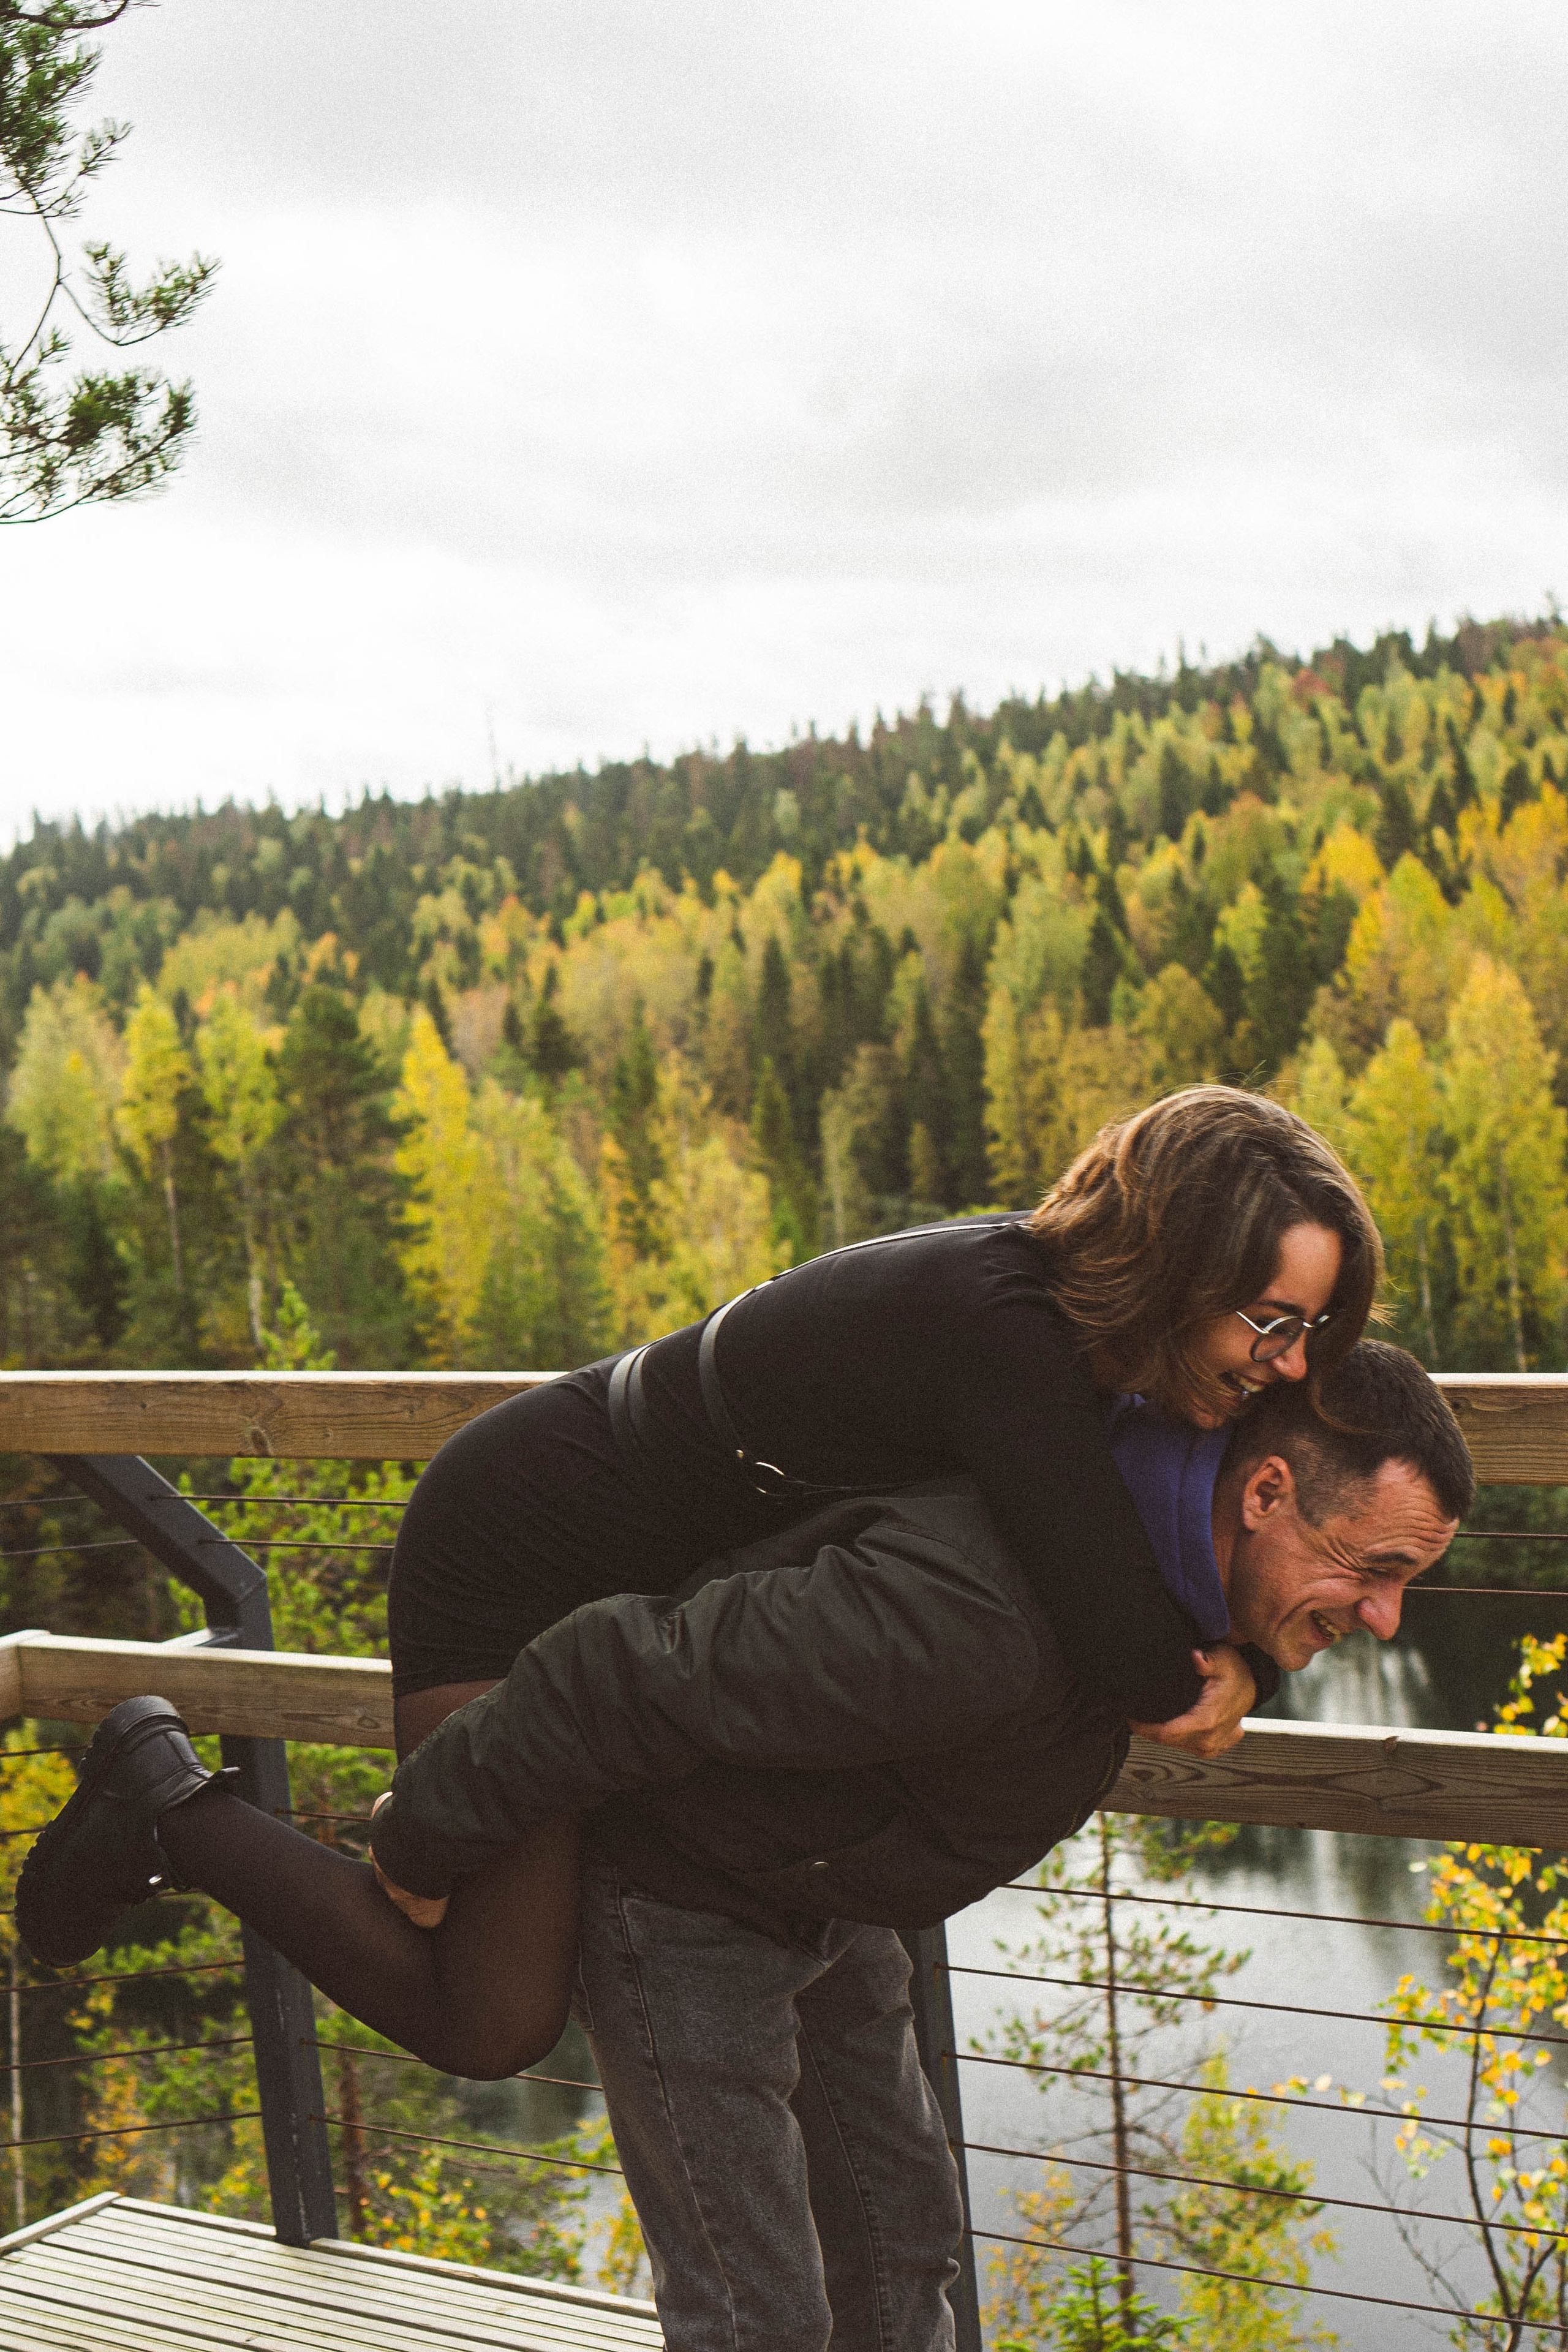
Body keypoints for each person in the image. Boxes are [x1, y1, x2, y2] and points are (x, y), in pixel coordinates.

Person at [18, 1087, 1380, 2092]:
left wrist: (1275, 1610)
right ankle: (167, 1806)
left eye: (1312, 1330)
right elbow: (1124, 1639)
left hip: (640, 1599)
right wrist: (1247, 1662)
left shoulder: (1084, 1357)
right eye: (1267, 1318)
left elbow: (1158, 1564)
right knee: (491, 2020)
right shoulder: (1004, 1332)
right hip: (521, 1546)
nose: (1284, 1364)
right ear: (1173, 1260)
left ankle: (168, 1806)